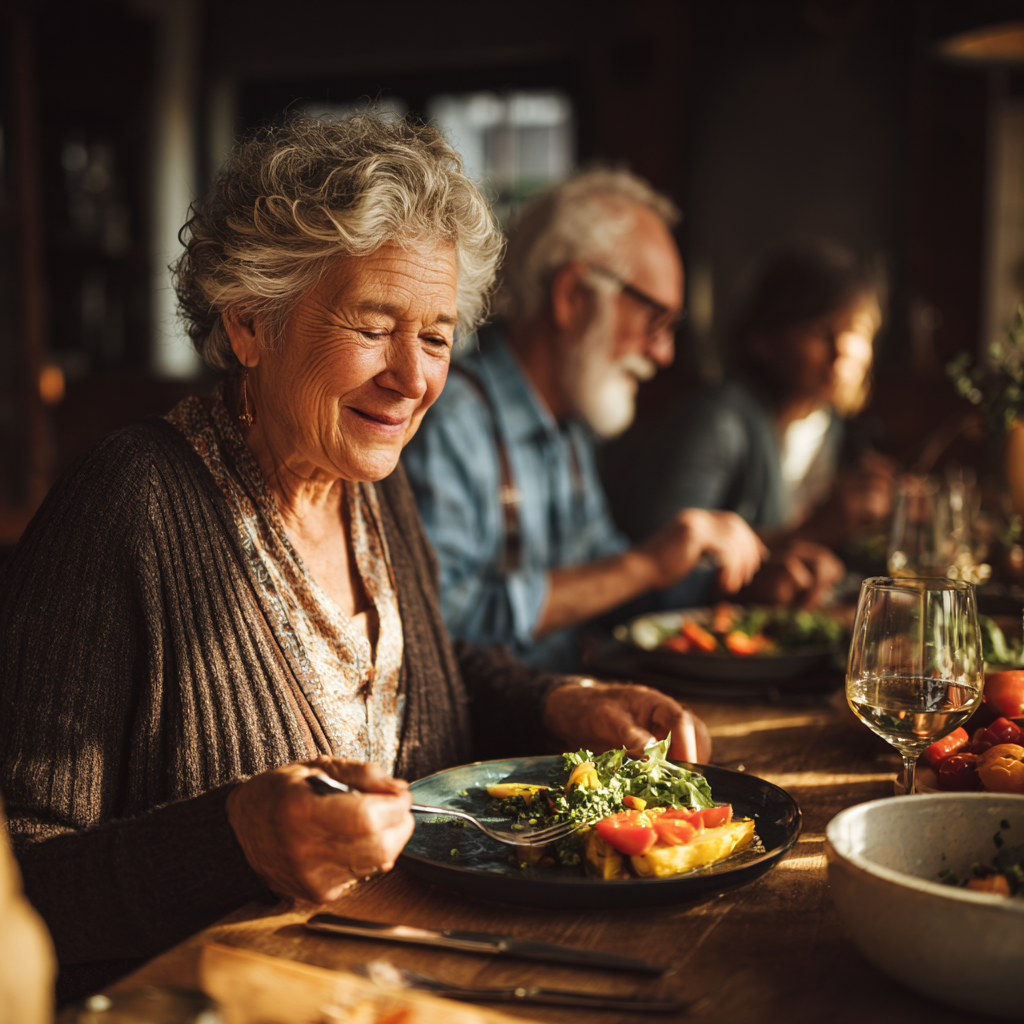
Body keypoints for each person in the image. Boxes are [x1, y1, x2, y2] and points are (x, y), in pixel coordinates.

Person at [0, 116, 711, 1004]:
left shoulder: (372, 486)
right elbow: (17, 889)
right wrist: (232, 842)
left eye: (439, 336)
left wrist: (560, 707)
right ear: (252, 322)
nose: (413, 378)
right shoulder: (129, 506)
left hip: (402, 979)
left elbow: (426, 679)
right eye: (375, 326)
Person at [403, 170, 766, 670]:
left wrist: (751, 582)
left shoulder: (568, 426)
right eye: (653, 320)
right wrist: (644, 566)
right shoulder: (452, 420)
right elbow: (438, 620)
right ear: (573, 295)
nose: (663, 353)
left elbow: (606, 581)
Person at [606, 241, 890, 608]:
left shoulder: (827, 422)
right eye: (821, 332)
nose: (843, 352)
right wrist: (815, 529)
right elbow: (657, 566)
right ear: (764, 340)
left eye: (857, 331)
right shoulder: (715, 420)